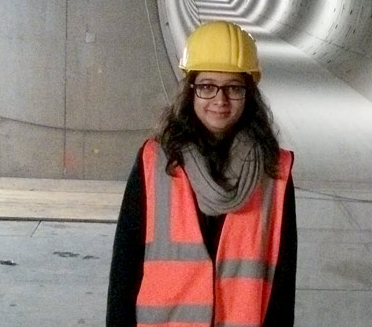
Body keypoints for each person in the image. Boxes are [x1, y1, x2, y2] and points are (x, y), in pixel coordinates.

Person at [106, 21, 297, 327]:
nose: (220, 101)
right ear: (191, 90)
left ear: (249, 94)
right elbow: (124, 271)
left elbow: (282, 284)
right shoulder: (155, 162)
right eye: (207, 86)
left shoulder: (274, 172)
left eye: (233, 87)